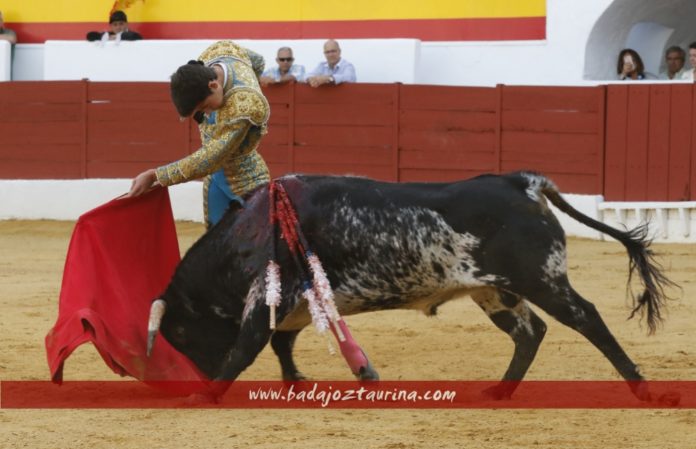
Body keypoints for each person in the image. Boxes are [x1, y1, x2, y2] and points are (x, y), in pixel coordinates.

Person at [127, 40, 271, 228]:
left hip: (248, 183)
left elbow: (211, 158)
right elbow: (258, 61)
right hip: (215, 180)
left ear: (213, 85)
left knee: (260, 245)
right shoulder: (221, 50)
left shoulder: (244, 105)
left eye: (205, 107)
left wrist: (157, 175)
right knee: (214, 247)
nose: (208, 114)